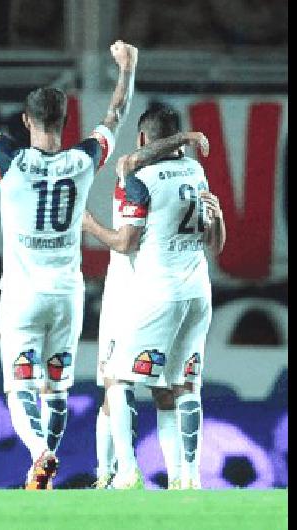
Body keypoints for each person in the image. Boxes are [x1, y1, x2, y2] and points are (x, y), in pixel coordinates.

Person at [0, 37, 137, 489]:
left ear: (26, 120)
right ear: (65, 121)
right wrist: (126, 67)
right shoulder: (84, 159)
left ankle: (38, 453)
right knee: (58, 387)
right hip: (67, 293)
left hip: (23, 295)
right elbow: (116, 115)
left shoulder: (11, 161)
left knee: (20, 386)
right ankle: (46, 462)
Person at [82, 104, 226, 490]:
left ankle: (123, 473)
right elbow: (215, 240)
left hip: (152, 291)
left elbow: (126, 241)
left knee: (116, 379)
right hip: (196, 291)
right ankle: (187, 477)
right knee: (178, 386)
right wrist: (187, 140)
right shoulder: (196, 171)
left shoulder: (138, 177)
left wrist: (90, 225)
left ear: (143, 138)